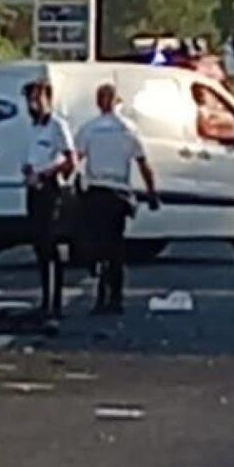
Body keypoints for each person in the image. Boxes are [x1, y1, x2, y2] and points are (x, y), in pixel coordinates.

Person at [74, 81, 160, 315]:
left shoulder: (88, 129)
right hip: (118, 194)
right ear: (115, 101)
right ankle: (116, 297)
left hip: (96, 193)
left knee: (97, 244)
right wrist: (152, 193)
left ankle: (100, 294)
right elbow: (143, 164)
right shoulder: (127, 129)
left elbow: (75, 160)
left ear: (97, 102)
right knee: (116, 247)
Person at [22, 76, 76, 320]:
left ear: (47, 100)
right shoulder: (33, 128)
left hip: (50, 188)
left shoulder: (57, 125)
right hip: (33, 188)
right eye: (29, 101)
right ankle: (45, 299)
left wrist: (46, 174)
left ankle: (55, 302)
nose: (32, 105)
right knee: (39, 246)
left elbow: (70, 160)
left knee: (50, 245)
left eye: (36, 99)